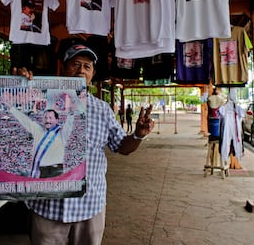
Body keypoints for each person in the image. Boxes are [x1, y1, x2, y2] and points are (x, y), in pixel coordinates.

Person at [14, 44, 154, 245]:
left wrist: (138, 136)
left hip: (90, 205)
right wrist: (19, 85)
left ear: (92, 74)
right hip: (47, 205)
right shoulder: (39, 101)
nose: (81, 70)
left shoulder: (102, 109)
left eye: (87, 67)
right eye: (75, 64)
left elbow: (122, 147)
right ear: (63, 68)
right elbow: (17, 128)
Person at [0, 94, 74, 178]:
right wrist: (10, 107)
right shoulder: (38, 130)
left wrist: (71, 112)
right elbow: (24, 120)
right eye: (45, 118)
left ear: (57, 120)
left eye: (50, 118)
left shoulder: (61, 133)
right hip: (41, 170)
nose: (47, 120)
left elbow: (69, 125)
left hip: (56, 171)